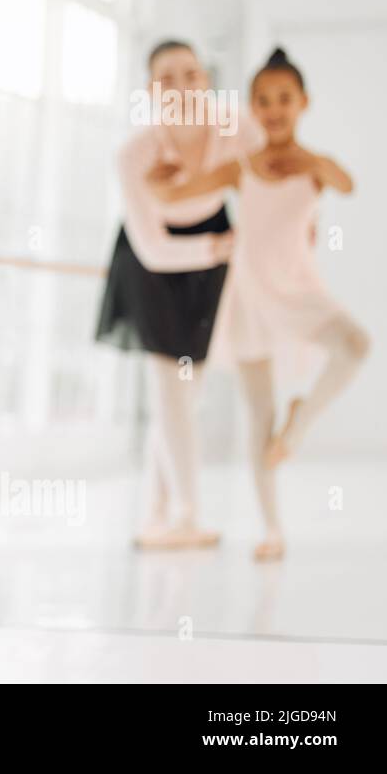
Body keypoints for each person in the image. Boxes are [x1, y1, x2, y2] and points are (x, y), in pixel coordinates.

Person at [148, 47, 369, 561]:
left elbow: (347, 184)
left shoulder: (314, 166)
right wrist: (160, 183)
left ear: (302, 103)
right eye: (263, 101)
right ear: (251, 108)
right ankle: (272, 529)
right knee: (257, 416)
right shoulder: (240, 166)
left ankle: (302, 421)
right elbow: (178, 195)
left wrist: (312, 161)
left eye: (284, 99)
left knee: (355, 345)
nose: (274, 110)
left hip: (298, 289)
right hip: (250, 299)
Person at [96, 39, 260, 549]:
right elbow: (153, 248)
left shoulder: (237, 124)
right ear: (151, 91)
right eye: (167, 78)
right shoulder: (134, 154)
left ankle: (157, 511)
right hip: (153, 264)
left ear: (205, 81)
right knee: (169, 385)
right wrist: (218, 246)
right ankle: (189, 514)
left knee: (187, 394)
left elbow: (264, 189)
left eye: (191, 74)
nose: (182, 86)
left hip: (213, 258)